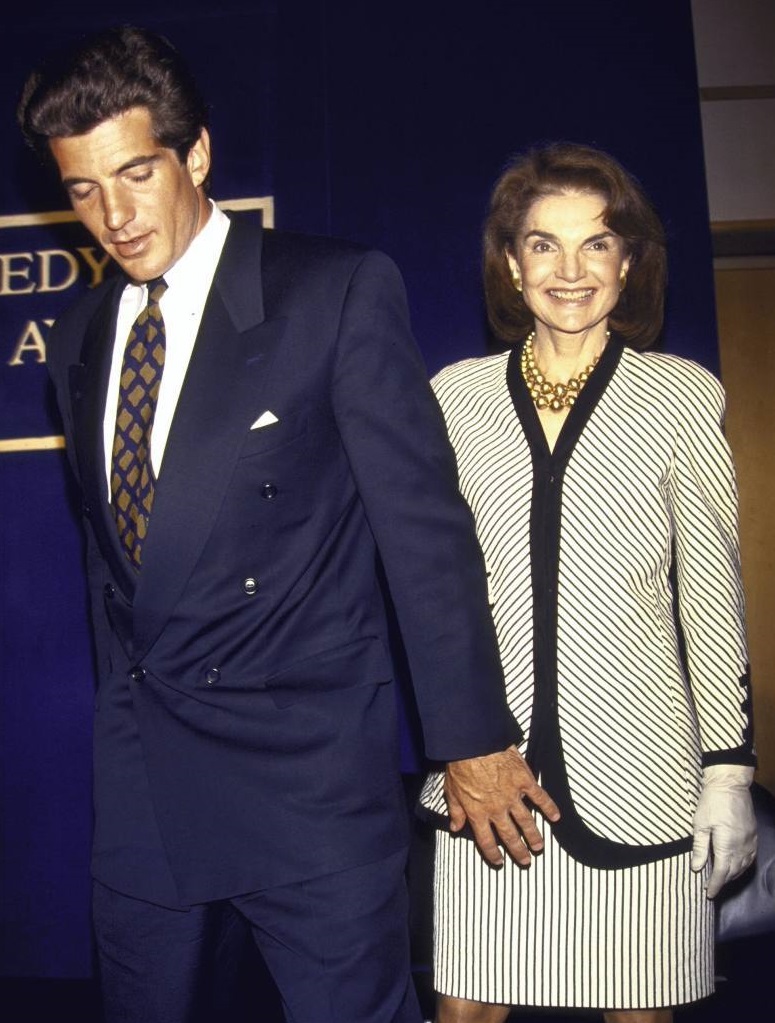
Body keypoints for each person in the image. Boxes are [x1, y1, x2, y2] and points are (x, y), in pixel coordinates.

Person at [16, 26, 560, 1023]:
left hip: (304, 774)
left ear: (198, 155)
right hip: (144, 783)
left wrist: (472, 739)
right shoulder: (85, 336)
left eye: (135, 174)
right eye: (83, 189)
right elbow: (111, 570)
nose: (113, 215)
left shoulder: (332, 290)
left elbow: (424, 536)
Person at [418, 142, 758, 1023]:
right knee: (467, 1011)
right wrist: (458, 740)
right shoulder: (452, 397)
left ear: (629, 261)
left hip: (642, 770)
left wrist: (727, 769)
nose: (569, 270)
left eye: (596, 244)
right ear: (509, 262)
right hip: (491, 773)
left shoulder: (682, 394)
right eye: (541, 244)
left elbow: (710, 597)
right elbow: (430, 589)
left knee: (636, 1010)